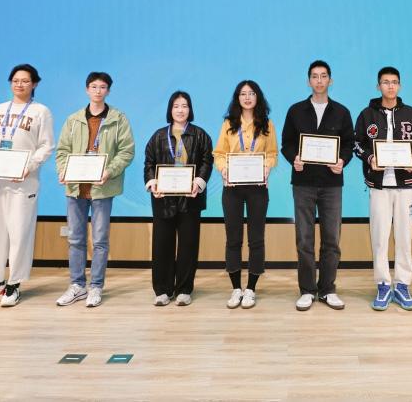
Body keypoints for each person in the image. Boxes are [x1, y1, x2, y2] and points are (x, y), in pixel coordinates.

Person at [0, 64, 55, 308]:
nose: (20, 84)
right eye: (16, 80)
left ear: (34, 84)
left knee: (19, 232)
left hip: (24, 181)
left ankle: (14, 284)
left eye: (25, 81)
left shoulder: (41, 112)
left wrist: (29, 166)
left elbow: (46, 146)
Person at [54, 72, 135, 308]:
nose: (98, 91)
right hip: (76, 188)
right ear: (87, 89)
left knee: (100, 240)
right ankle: (77, 285)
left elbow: (127, 151)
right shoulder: (73, 120)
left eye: (102, 87)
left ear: (108, 90)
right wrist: (63, 170)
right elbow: (62, 151)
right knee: (75, 239)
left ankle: (96, 286)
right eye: (93, 86)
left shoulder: (118, 119)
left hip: (102, 188)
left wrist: (109, 171)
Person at [280, 60, 354, 311]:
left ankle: (328, 289)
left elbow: (348, 144)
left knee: (332, 239)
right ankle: (307, 290)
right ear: (308, 81)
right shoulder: (296, 111)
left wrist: (342, 160)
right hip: (303, 183)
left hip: (332, 184)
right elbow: (287, 143)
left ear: (330, 80)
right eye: (314, 76)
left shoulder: (341, 112)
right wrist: (294, 158)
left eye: (323, 76)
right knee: (304, 239)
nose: (319, 80)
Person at [353, 66, 412, 311]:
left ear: (400, 85)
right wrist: (369, 158)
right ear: (378, 86)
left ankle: (402, 285)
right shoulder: (367, 115)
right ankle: (383, 284)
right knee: (380, 236)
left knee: (404, 236)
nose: (390, 86)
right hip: (378, 185)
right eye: (385, 82)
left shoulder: (411, 114)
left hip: (404, 185)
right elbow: (357, 143)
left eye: (394, 82)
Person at [213, 80, 278, 309]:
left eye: (251, 93)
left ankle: (251, 288)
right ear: (237, 98)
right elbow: (219, 153)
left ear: (258, 97)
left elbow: (272, 153)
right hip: (232, 188)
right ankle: (235, 289)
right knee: (233, 238)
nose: (247, 97)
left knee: (256, 238)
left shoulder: (267, 124)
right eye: (243, 94)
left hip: (257, 188)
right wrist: (224, 169)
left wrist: (267, 167)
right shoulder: (228, 124)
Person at [144, 91, 213, 307]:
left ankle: (184, 289)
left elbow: (207, 161)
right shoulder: (158, 136)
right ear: (170, 110)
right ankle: (162, 290)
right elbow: (149, 162)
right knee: (161, 245)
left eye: (184, 106)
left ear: (190, 109)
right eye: (176, 106)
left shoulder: (200, 135)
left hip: (190, 199)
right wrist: (152, 183)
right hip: (163, 199)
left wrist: (198, 182)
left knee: (188, 246)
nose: (180, 110)